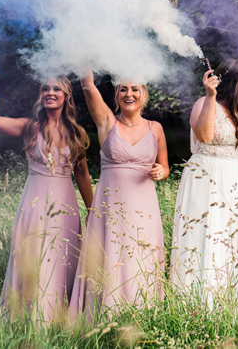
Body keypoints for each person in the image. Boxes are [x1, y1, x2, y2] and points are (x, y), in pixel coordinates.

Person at [0, 65, 93, 325]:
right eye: (46, 89)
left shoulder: (76, 133)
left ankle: (56, 319)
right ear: (41, 95)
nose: (50, 92)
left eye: (56, 89)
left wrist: (92, 210)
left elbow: (82, 174)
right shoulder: (30, 127)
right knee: (31, 257)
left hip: (66, 206)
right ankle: (24, 319)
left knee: (61, 260)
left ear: (66, 96)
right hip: (34, 202)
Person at [69, 68, 169, 319]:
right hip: (111, 206)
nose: (129, 94)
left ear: (144, 95)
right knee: (110, 255)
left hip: (144, 206)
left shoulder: (155, 128)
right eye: (123, 89)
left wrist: (161, 171)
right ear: (116, 96)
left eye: (135, 89)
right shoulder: (107, 122)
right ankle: (105, 315)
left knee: (141, 255)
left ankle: (143, 314)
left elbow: (165, 167)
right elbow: (88, 86)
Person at [169, 59, 238, 299]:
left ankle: (227, 299)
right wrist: (209, 96)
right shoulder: (204, 104)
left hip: (235, 180)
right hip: (205, 177)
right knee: (204, 234)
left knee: (229, 237)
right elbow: (204, 135)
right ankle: (194, 299)